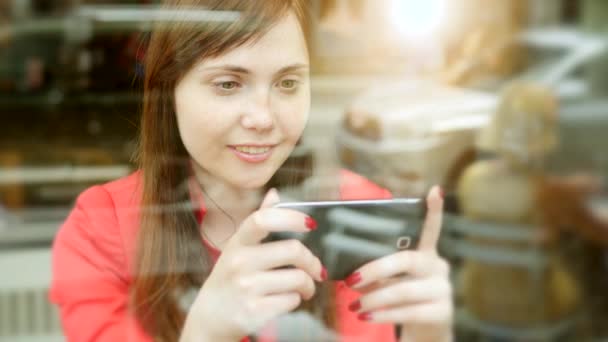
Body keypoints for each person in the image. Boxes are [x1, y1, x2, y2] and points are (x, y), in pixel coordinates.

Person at [49, 0, 452, 341]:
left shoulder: (359, 207)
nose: (263, 118)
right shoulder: (101, 227)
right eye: (228, 84)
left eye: (288, 83)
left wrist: (427, 333)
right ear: (168, 92)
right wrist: (205, 330)